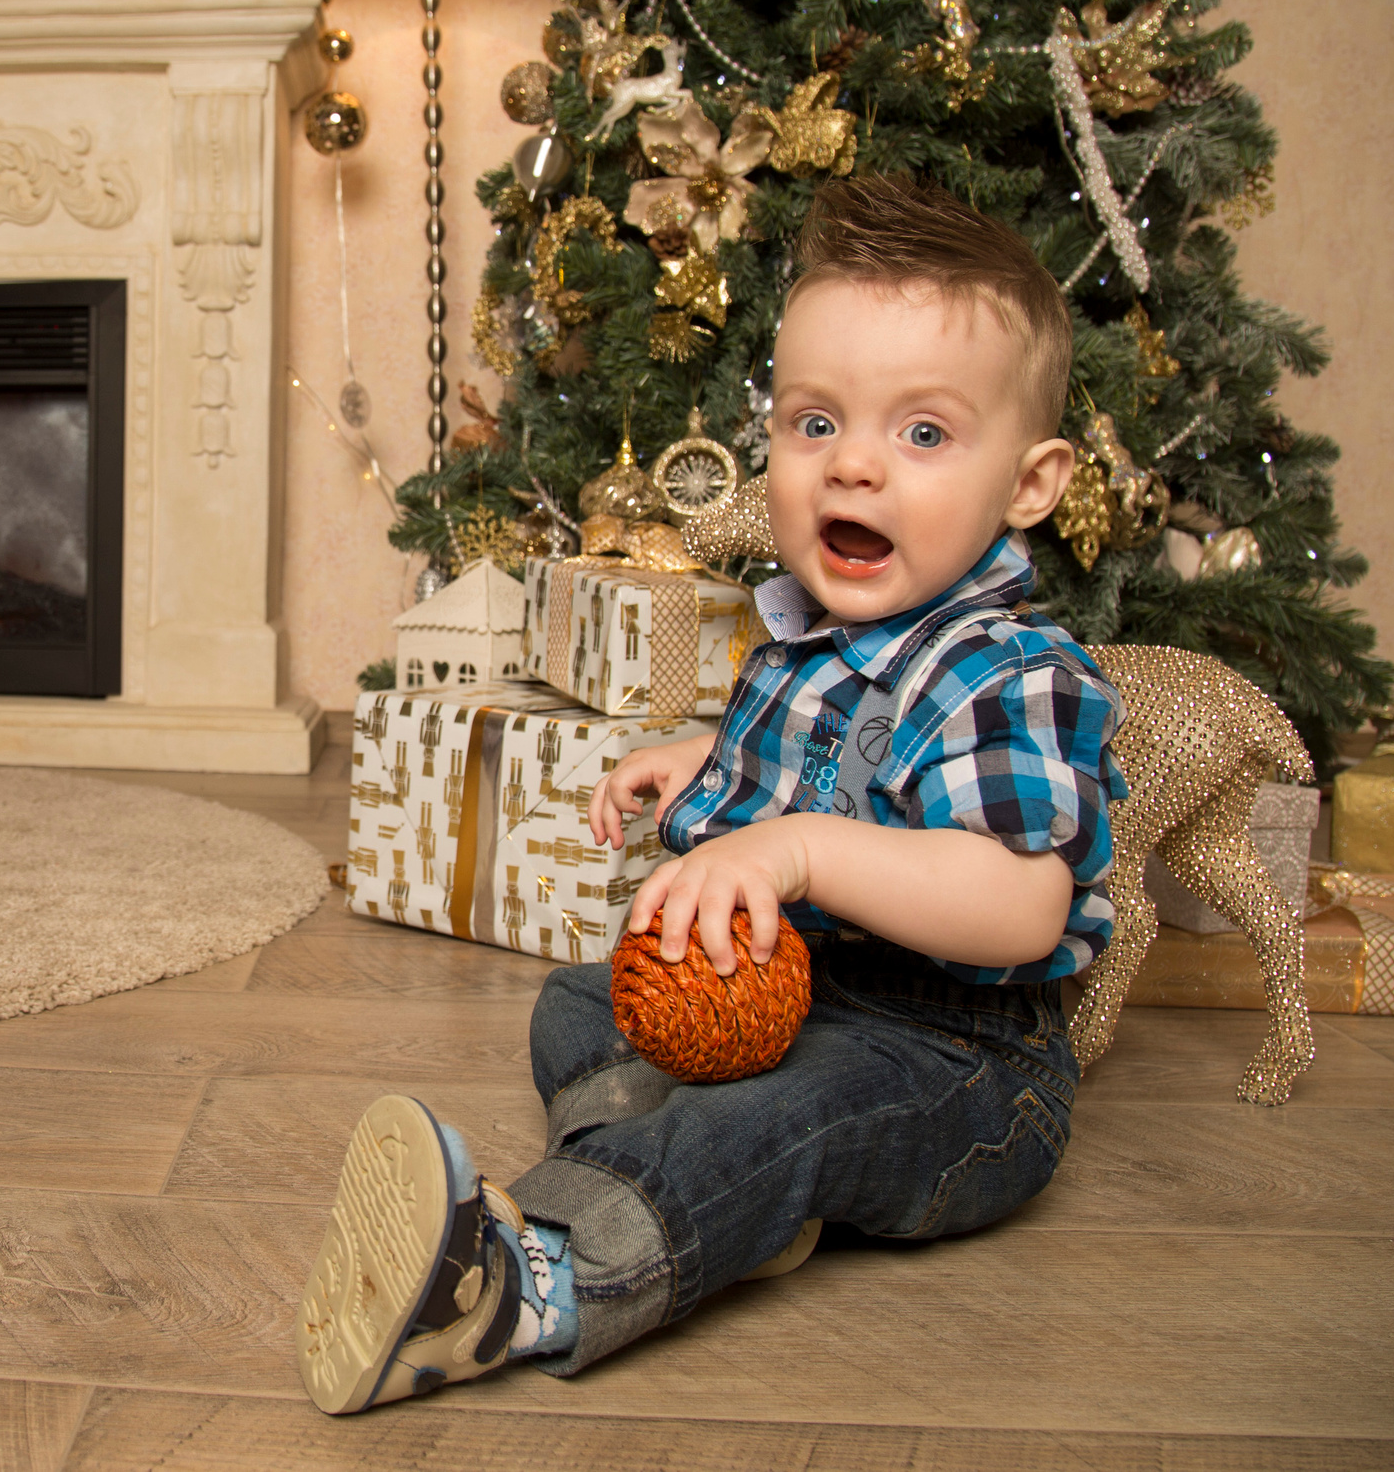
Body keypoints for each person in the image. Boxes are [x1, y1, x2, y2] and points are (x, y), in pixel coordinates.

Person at [298, 175, 1126, 1414]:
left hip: (956, 1064)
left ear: (1031, 482)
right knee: (582, 1003)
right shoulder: (806, 637)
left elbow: (1015, 904)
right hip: (795, 998)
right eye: (813, 424)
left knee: (796, 1111)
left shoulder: (1008, 675)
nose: (853, 467)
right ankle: (707, 1190)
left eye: (922, 435)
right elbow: (806, 759)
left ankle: (522, 1283)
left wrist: (796, 850)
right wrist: (705, 765)